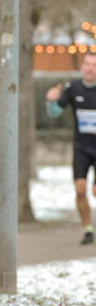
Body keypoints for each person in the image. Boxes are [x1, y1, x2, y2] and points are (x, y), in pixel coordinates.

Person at [46, 52, 96, 244]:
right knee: (80, 189)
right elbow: (54, 113)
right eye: (88, 64)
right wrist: (51, 100)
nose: (90, 68)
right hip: (81, 147)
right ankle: (88, 229)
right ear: (82, 67)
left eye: (94, 64)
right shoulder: (72, 87)